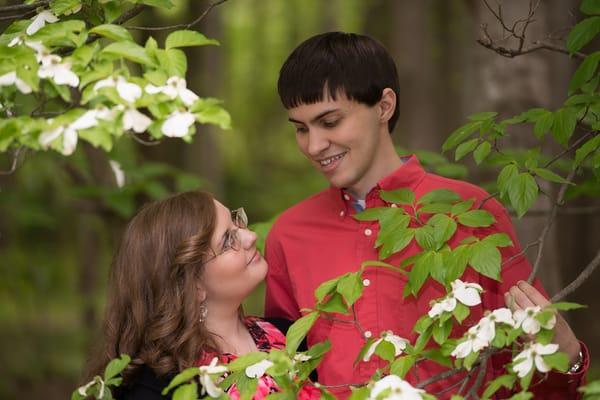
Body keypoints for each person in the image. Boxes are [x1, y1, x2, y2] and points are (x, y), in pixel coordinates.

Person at [264, 32, 589, 399]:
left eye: (330, 121)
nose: (314, 145)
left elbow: (535, 364)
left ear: (384, 106)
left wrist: (570, 360)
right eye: (301, 128)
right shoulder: (289, 236)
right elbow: (283, 378)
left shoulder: (469, 212)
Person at [84, 191, 295, 399]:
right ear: (192, 285)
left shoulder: (291, 338)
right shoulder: (156, 387)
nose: (251, 236)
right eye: (228, 241)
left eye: (237, 222)